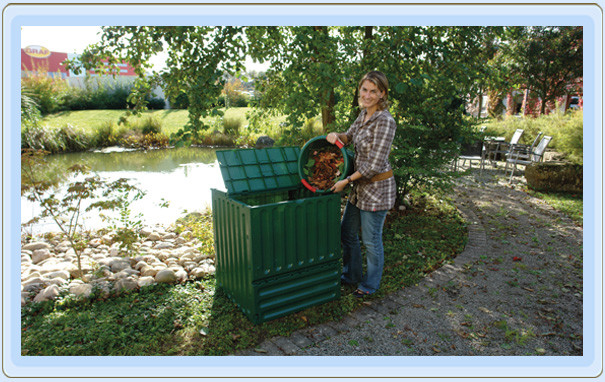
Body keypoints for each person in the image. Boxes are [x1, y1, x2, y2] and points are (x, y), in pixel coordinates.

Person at [326, 70, 397, 298]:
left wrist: (345, 181)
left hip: (376, 190)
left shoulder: (385, 121)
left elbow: (373, 165)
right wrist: (334, 135)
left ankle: (370, 284)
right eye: (364, 89)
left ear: (382, 94)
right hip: (359, 189)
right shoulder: (364, 114)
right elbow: (348, 136)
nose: (367, 95)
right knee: (347, 232)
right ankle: (350, 275)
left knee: (371, 240)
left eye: (373, 91)